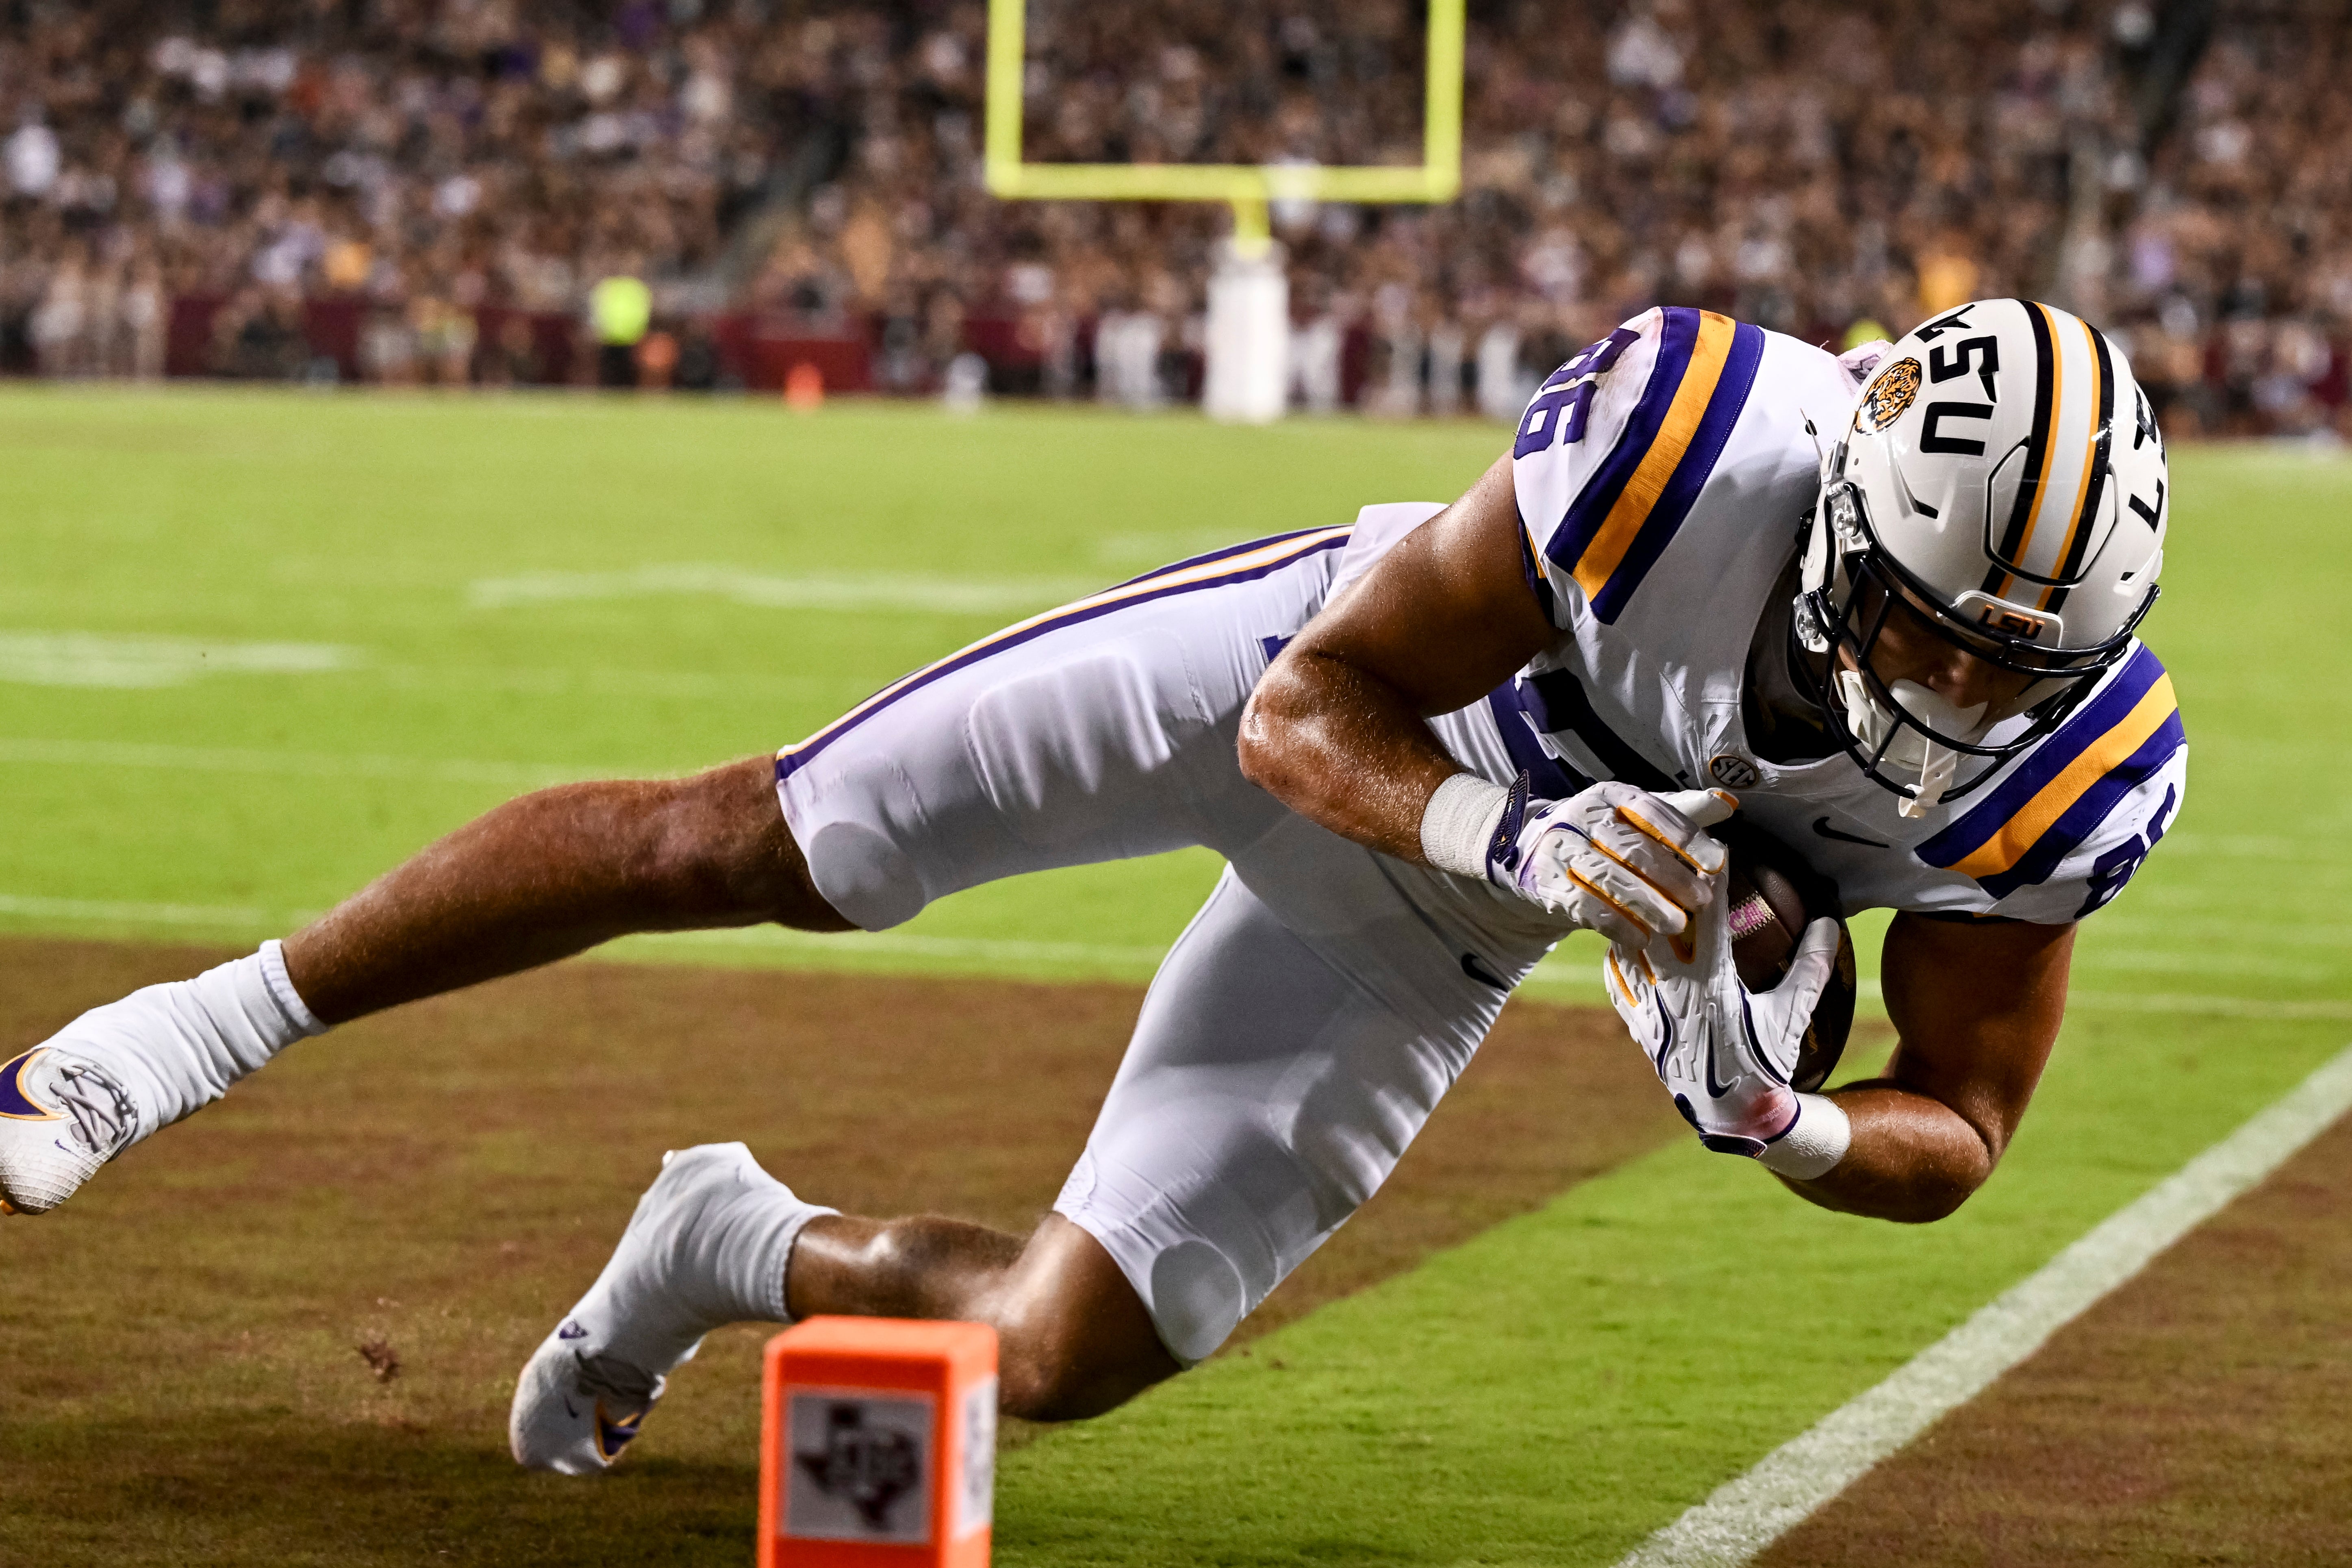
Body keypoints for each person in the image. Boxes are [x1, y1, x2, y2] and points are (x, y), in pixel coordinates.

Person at [0, 298, 2182, 1478]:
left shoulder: (2073, 774)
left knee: (1055, 1352)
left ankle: (727, 1242)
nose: (1950, 687)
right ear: (1847, 506)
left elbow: (1963, 1121)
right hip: (1326, 711)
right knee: (744, 840)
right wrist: (1505, 828)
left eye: (2016, 662)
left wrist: (1781, 1118)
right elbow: (1314, 708)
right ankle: (175, 1035)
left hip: (1436, 928)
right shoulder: (1695, 439)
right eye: (1920, 623)